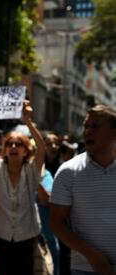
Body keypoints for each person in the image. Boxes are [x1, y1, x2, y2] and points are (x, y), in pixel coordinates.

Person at [50, 105, 116, 275]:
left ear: (113, 132)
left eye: (95, 126)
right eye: (86, 126)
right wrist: (92, 256)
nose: (87, 131)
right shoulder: (68, 172)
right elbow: (56, 222)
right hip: (85, 269)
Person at [0, 100, 46, 275]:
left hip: (25, 236)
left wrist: (28, 122)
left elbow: (42, 149)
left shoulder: (32, 170)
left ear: (26, 151)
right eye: (9, 144)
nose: (13, 147)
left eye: (18, 144)